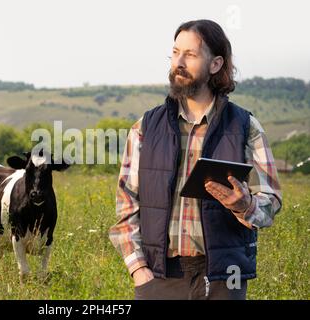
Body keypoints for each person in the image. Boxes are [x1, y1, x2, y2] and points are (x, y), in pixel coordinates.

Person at [109, 19, 282, 300]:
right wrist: (139, 271)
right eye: (175, 53)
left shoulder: (246, 126)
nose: (179, 62)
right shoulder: (145, 127)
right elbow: (126, 203)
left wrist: (245, 205)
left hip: (224, 280)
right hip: (160, 278)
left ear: (215, 64)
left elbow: (271, 200)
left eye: (190, 55)